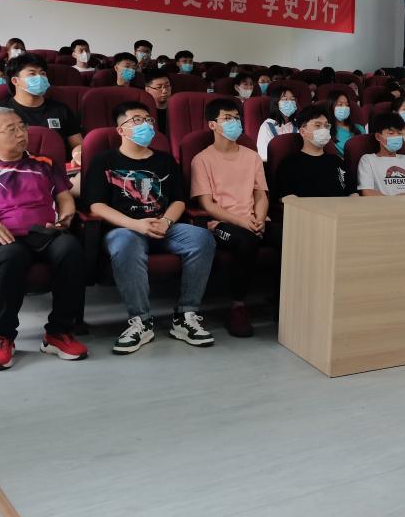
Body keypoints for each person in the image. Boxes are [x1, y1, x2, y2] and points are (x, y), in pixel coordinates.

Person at [0, 108, 88, 370]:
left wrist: (65, 219)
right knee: (11, 256)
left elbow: (64, 197)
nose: (21, 133)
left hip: (46, 232)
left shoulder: (44, 164)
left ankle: (58, 332)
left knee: (70, 249)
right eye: (11, 129)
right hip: (6, 236)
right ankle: (3, 336)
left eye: (22, 126)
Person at [85, 102, 216, 353]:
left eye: (148, 120)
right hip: (125, 228)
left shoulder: (165, 161)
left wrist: (166, 222)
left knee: (202, 238)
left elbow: (179, 200)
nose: (145, 124)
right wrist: (136, 224)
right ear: (121, 130)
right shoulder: (104, 160)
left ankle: (186, 315)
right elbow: (96, 205)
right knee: (125, 242)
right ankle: (141, 321)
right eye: (137, 120)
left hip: (163, 225)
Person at [190, 99, 268, 337]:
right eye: (227, 118)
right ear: (212, 124)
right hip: (221, 224)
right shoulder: (202, 159)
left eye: (237, 118)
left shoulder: (252, 156)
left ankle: (285, 297)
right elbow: (207, 205)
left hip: (254, 221)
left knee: (290, 235)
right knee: (246, 241)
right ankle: (238, 306)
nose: (234, 122)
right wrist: (243, 222)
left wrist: (260, 219)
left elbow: (261, 195)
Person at [0, 53, 82, 155]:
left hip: (57, 163)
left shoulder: (61, 109)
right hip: (16, 163)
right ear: (15, 81)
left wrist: (78, 154)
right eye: (32, 74)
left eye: (42, 73)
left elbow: (78, 144)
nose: (40, 77)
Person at [358, 112, 405, 196]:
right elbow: (367, 192)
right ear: (378, 137)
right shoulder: (368, 160)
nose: (396, 137)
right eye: (391, 133)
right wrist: (395, 201)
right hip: (383, 204)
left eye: (399, 133)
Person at [256, 86, 298, 161]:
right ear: (276, 103)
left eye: (292, 99)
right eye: (285, 99)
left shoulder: (298, 123)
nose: (290, 102)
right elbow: (264, 157)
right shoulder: (267, 126)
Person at [328, 89, 364, 156]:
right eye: (340, 104)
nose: (344, 108)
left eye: (347, 105)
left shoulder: (360, 128)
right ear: (331, 106)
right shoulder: (327, 131)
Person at [143, 68, 173, 135]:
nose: (164, 91)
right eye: (159, 87)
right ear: (147, 89)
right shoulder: (143, 112)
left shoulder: (177, 109)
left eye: (167, 86)